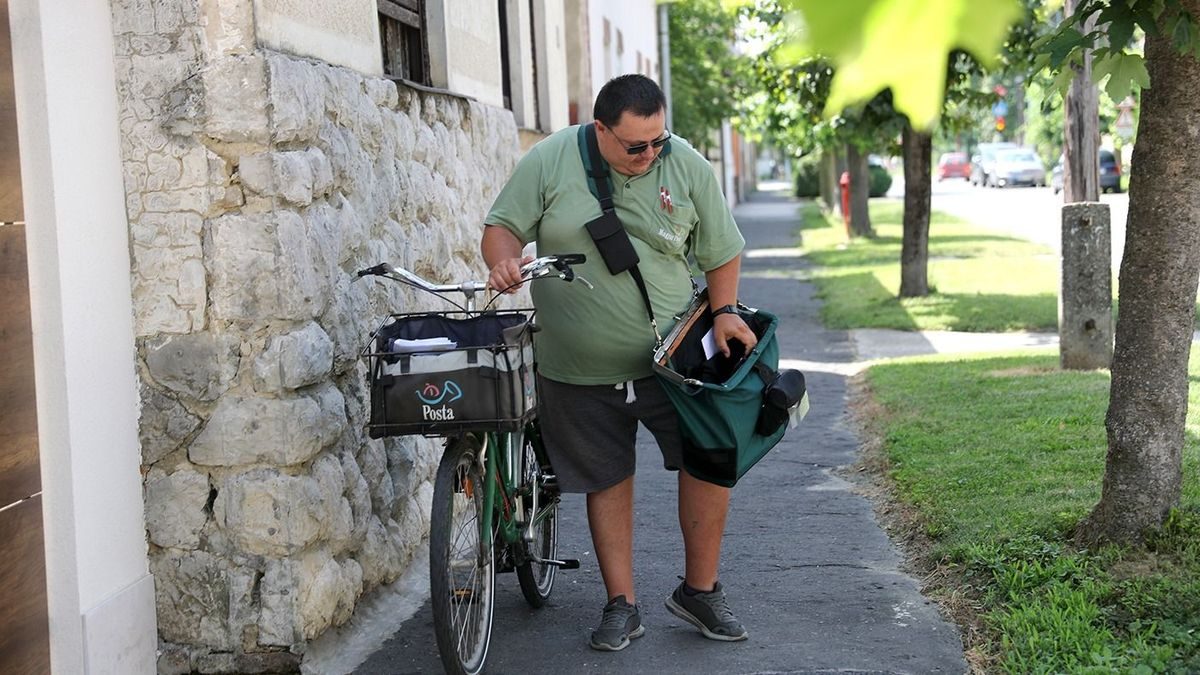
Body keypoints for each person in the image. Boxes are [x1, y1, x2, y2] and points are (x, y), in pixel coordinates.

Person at [481, 74, 755, 651]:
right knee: (606, 477)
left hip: (673, 361)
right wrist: (505, 263)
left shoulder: (684, 165)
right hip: (577, 367)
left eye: (658, 140)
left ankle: (699, 590)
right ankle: (620, 604)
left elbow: (721, 247)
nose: (651, 154)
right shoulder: (552, 159)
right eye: (636, 146)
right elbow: (502, 227)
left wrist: (726, 310)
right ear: (600, 130)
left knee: (710, 462)